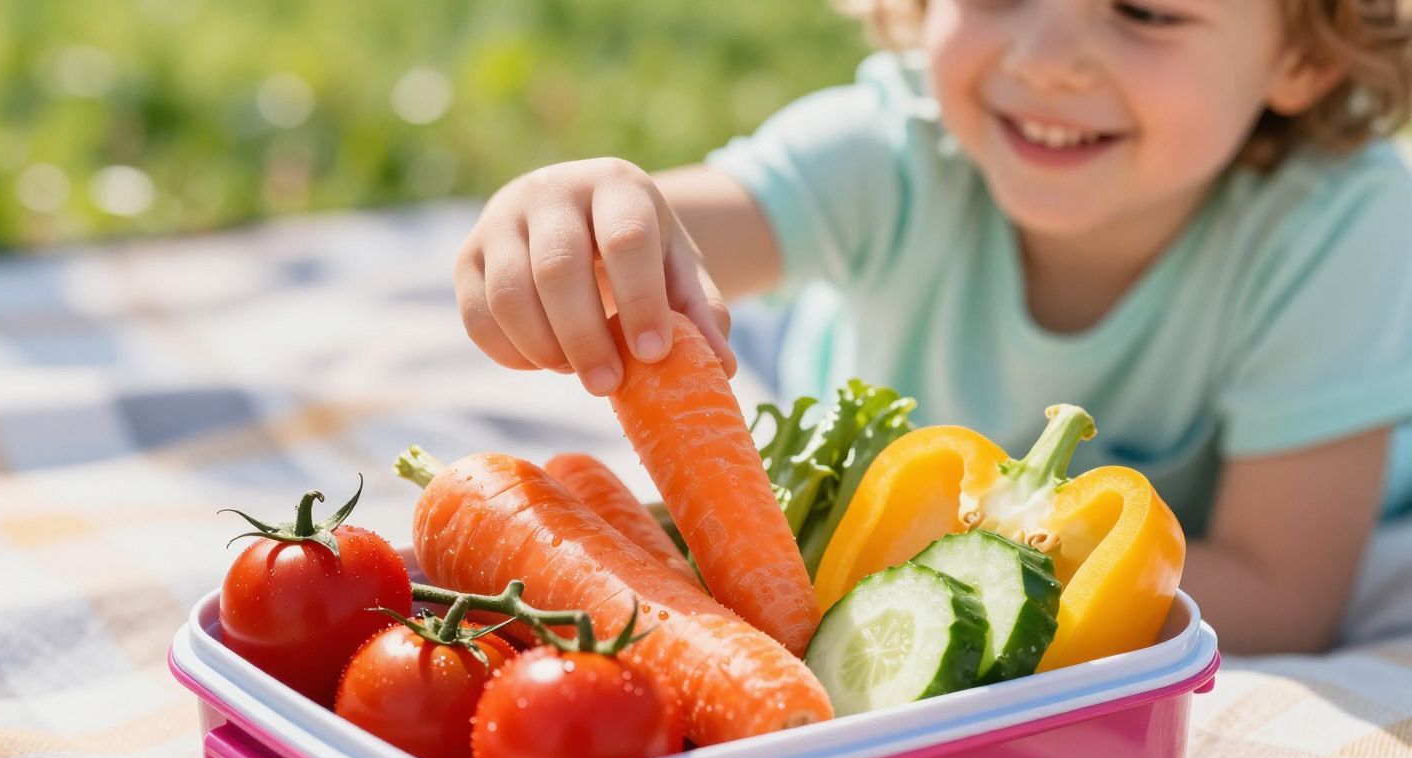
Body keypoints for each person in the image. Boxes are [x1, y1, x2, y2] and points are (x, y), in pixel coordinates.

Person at [452, 0, 1412, 654]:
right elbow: (687, 232)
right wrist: (577, 215)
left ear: (1305, 54)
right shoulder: (893, 152)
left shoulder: (1340, 232)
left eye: (1147, 10)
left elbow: (1286, 598)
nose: (1042, 59)